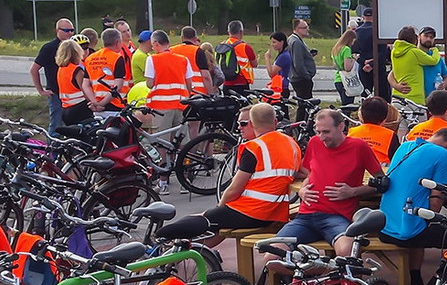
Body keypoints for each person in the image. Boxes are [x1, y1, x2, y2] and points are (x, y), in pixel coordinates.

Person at [279, 109, 382, 257]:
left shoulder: (358, 147)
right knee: (272, 255)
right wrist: (301, 190)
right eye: (318, 131)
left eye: (326, 132)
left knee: (348, 251)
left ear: (341, 127)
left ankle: (338, 276)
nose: (321, 137)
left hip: (336, 217)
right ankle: (323, 276)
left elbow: (381, 182)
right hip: (305, 216)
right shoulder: (314, 142)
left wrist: (353, 192)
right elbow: (310, 173)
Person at [197, 102, 301, 245]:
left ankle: (169, 252)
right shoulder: (289, 143)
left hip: (254, 211)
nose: (239, 128)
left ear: (252, 124)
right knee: (218, 226)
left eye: (244, 123)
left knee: (201, 220)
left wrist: (219, 208)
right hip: (276, 211)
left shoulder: (253, 148)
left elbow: (234, 190)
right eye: (239, 123)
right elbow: (300, 171)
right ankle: (188, 255)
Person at [379, 127, 447, 285]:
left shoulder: (405, 146)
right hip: (407, 234)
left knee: (415, 216)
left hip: (384, 227)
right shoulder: (442, 153)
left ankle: (416, 280)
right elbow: (436, 200)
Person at [145, 30, 195, 194]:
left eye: (153, 45)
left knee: (162, 144)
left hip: (161, 108)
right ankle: (185, 179)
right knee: (183, 142)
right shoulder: (183, 60)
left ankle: (163, 181)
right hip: (181, 105)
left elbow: (150, 83)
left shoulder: (152, 59)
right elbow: (189, 85)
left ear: (157, 44)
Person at [29, 18, 74, 133]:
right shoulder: (49, 48)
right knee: (56, 124)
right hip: (56, 93)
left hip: (73, 95)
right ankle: (53, 149)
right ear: (57, 30)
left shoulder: (74, 47)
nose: (69, 33)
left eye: (72, 30)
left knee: (73, 125)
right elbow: (34, 69)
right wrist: (41, 90)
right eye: (66, 30)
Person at [389, 25, 442, 105]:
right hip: (414, 98)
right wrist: (435, 50)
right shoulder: (414, 52)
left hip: (397, 97)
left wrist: (396, 85)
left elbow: (392, 73)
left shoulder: (394, 52)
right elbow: (433, 60)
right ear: (414, 39)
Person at [84, 28, 129, 114]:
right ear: (118, 43)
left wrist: (95, 103)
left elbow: (85, 84)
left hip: (95, 105)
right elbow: (117, 87)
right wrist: (102, 104)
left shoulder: (90, 58)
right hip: (115, 105)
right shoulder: (117, 58)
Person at [55, 39, 98, 125]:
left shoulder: (61, 69)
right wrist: (96, 104)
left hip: (65, 109)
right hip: (80, 109)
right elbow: (85, 90)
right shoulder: (77, 70)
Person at [348, 97, 400, 165]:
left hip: (355, 166)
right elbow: (397, 158)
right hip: (381, 169)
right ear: (384, 119)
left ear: (361, 117)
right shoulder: (390, 135)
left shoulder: (351, 132)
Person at [287, 19, 317, 120]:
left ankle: (301, 125)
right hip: (301, 79)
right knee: (304, 105)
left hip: (298, 77)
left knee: (304, 104)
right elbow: (298, 63)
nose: (307, 29)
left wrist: (309, 54)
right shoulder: (296, 42)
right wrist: (307, 76)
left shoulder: (294, 40)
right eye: (304, 28)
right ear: (296, 29)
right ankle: (301, 126)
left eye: (307, 27)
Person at [171, 26, 213, 98]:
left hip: (176, 94)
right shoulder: (198, 51)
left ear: (182, 38)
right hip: (197, 93)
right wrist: (211, 94)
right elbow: (206, 76)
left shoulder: (171, 51)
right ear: (195, 38)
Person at [219, 20, 258, 92]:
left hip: (226, 83)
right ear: (241, 32)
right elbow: (255, 64)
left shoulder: (222, 45)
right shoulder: (245, 47)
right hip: (241, 83)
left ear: (228, 32)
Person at [331, 29, 358, 105]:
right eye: (353, 41)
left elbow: (335, 65)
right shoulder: (346, 49)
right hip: (346, 81)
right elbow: (347, 68)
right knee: (348, 106)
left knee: (344, 104)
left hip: (338, 79)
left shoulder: (335, 49)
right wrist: (354, 59)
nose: (353, 43)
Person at [264, 31, 291, 99]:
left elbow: (271, 73)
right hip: (281, 87)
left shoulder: (283, 56)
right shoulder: (283, 54)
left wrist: (267, 59)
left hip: (281, 88)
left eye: (274, 42)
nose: (272, 44)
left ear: (281, 42)